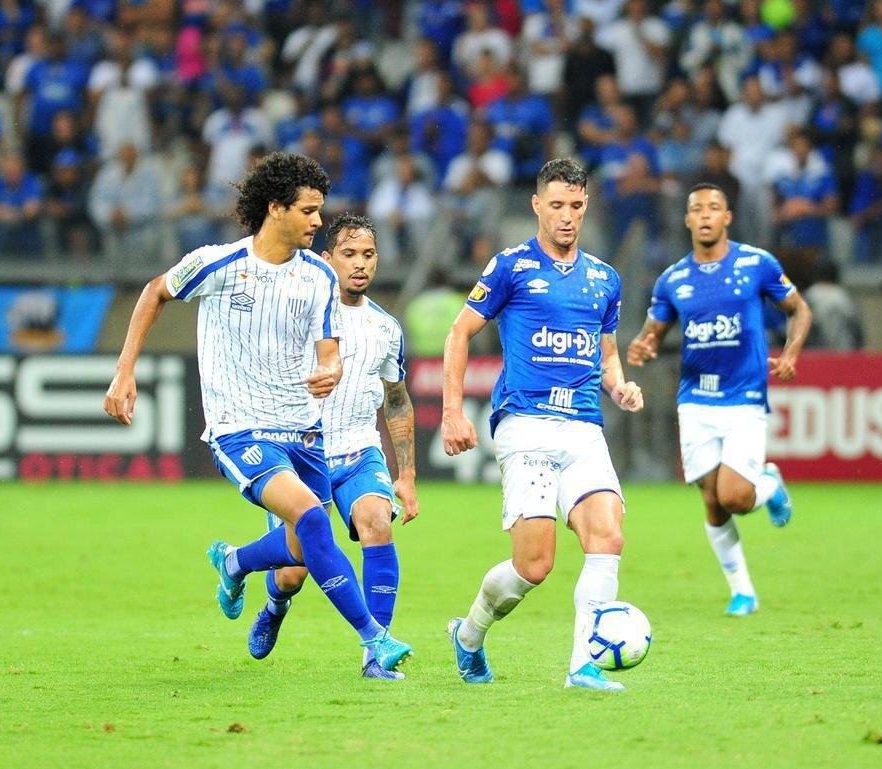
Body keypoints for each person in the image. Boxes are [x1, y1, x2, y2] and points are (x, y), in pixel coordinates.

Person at [103, 152, 410, 674]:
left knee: (297, 555)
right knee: (314, 520)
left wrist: (330, 369)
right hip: (240, 427)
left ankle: (234, 562)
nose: (318, 221)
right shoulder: (220, 263)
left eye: (320, 211)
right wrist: (125, 370)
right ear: (275, 208)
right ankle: (374, 640)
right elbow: (156, 292)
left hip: (303, 429)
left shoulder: (318, 275)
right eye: (309, 211)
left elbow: (328, 348)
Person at [440, 158, 644, 691]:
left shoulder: (605, 278)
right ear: (537, 206)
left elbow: (606, 355)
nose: (567, 216)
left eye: (576, 206)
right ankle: (469, 634)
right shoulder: (509, 266)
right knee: (533, 566)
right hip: (525, 425)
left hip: (582, 427)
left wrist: (619, 385)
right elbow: (459, 333)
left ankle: (584, 666)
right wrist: (453, 410)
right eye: (556, 205)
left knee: (608, 536)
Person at [244, 213, 420, 680]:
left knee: (377, 523)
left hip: (361, 452)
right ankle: (272, 602)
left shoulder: (387, 328)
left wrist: (407, 475)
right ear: (327, 259)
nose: (360, 264)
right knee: (293, 570)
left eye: (368, 255)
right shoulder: (299, 316)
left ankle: (376, 653)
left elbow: (397, 400)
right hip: (303, 456)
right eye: (348, 254)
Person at [626, 183, 810, 616]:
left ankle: (768, 484)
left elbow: (799, 309)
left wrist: (792, 352)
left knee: (735, 498)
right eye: (697, 209)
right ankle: (742, 591)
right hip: (695, 402)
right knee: (711, 499)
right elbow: (653, 332)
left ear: (727, 217)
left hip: (744, 398)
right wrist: (641, 346)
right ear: (688, 220)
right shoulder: (673, 279)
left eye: (714, 208)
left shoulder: (756, 263)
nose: (705, 215)